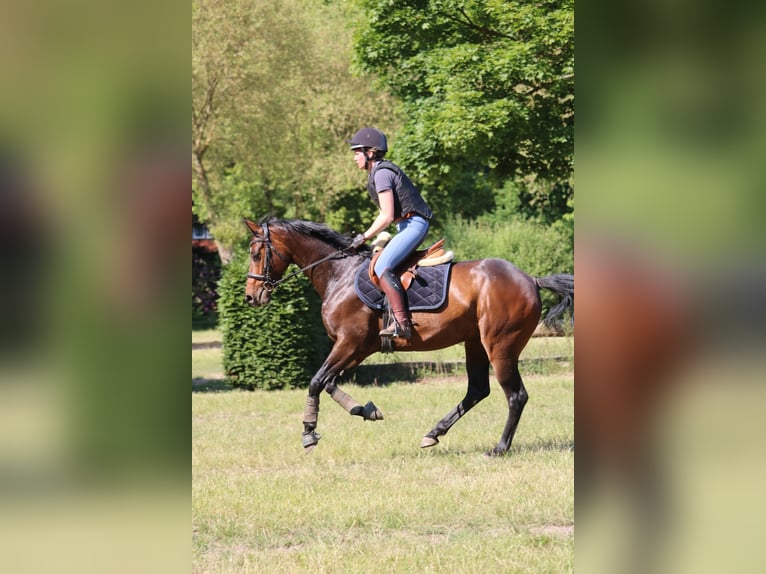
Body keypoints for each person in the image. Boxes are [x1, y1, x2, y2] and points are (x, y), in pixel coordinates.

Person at [347, 127, 433, 340]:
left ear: (370, 152)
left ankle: (402, 324)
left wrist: (364, 237)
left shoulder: (383, 174)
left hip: (414, 224)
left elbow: (386, 215)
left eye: (357, 152)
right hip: (405, 226)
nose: (354, 158)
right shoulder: (376, 174)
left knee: (381, 266)